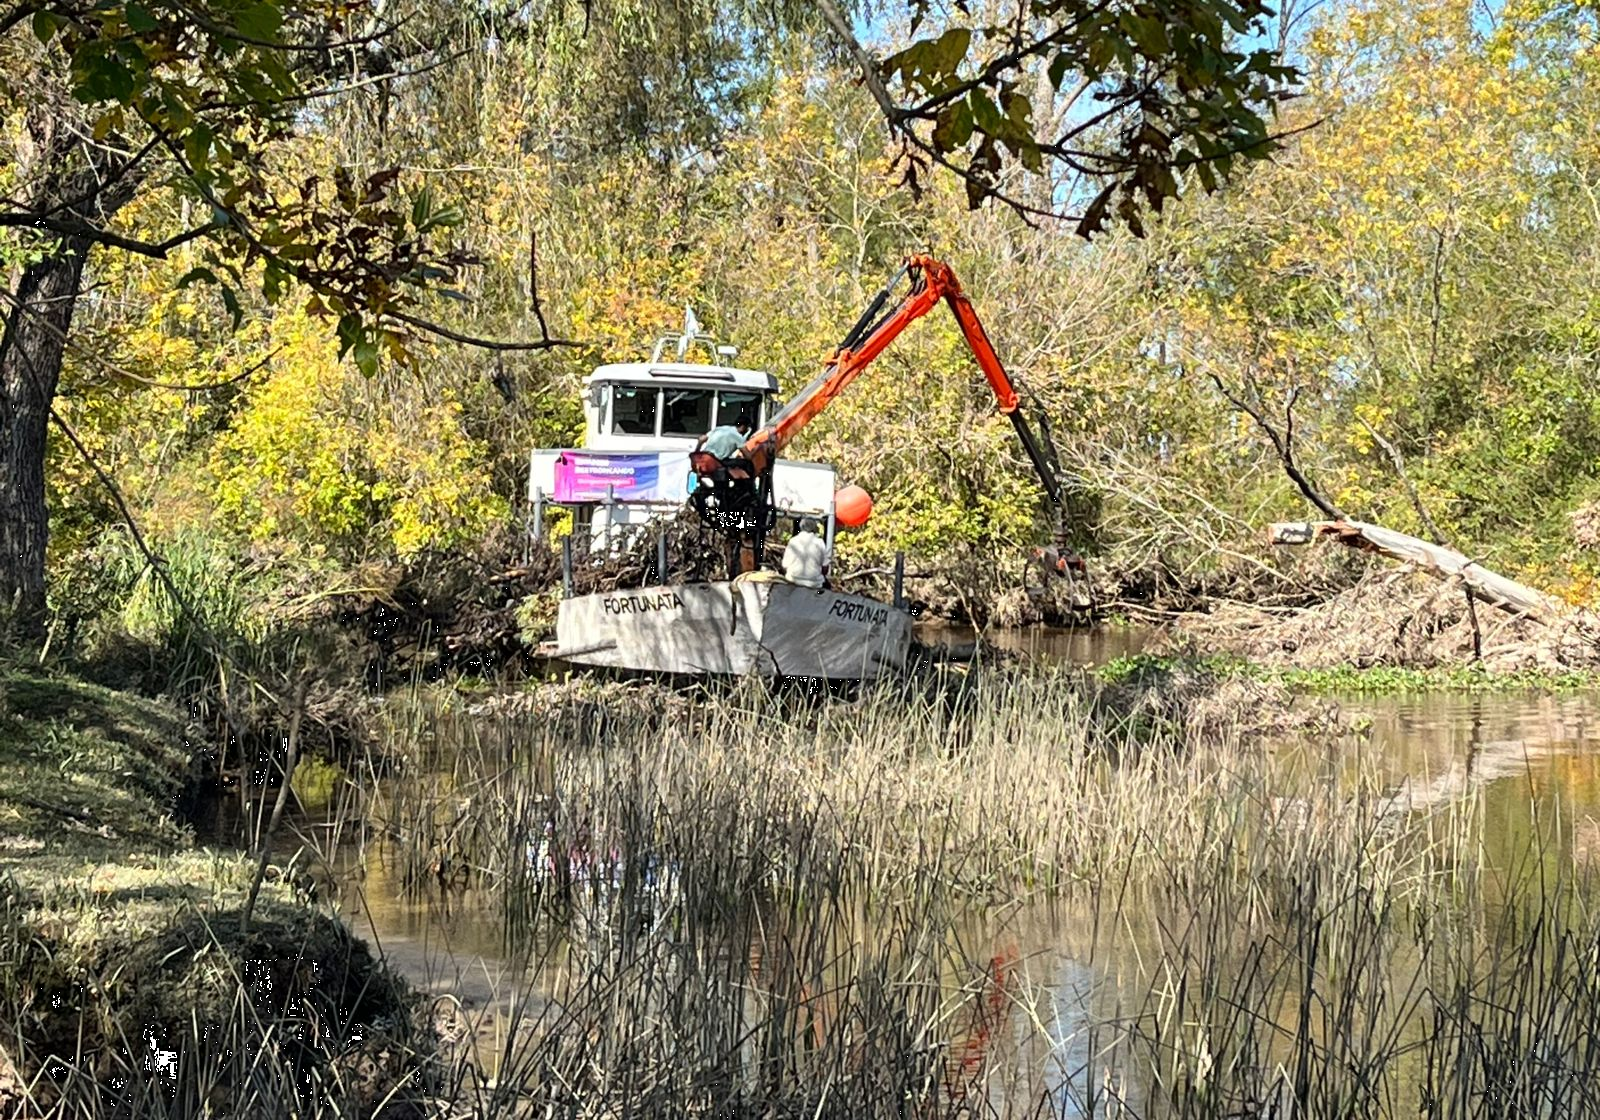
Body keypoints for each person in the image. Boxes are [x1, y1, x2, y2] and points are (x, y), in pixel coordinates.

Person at [782, 517, 829, 589]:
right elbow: (825, 567)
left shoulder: (793, 541)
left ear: (801, 527)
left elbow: (785, 564)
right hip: (814, 583)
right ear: (814, 528)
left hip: (793, 580)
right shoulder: (819, 542)